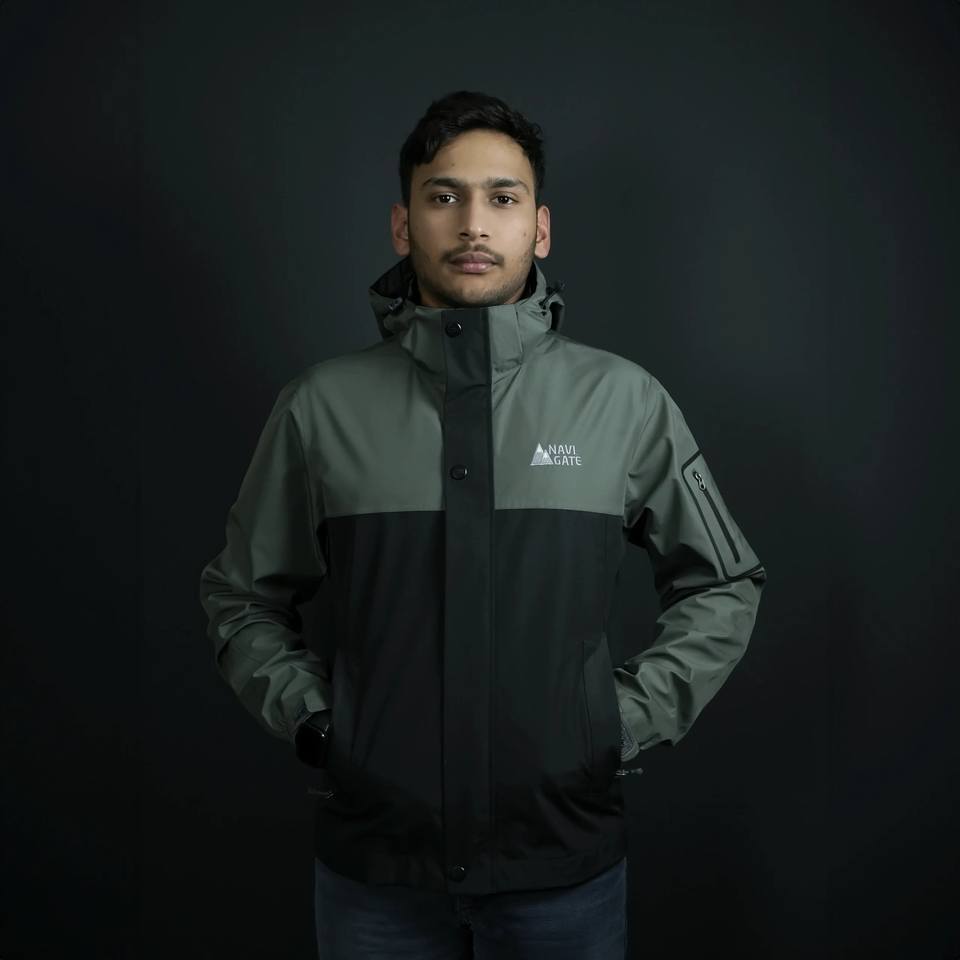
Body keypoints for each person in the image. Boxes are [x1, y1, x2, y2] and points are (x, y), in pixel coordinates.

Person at [198, 89, 768, 959]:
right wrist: (318, 723)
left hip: (563, 865)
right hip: (376, 874)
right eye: (443, 196)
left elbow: (724, 583)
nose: (472, 223)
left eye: (502, 198)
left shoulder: (623, 402)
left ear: (540, 228)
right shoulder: (320, 408)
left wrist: (616, 722)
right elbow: (241, 597)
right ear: (403, 225)